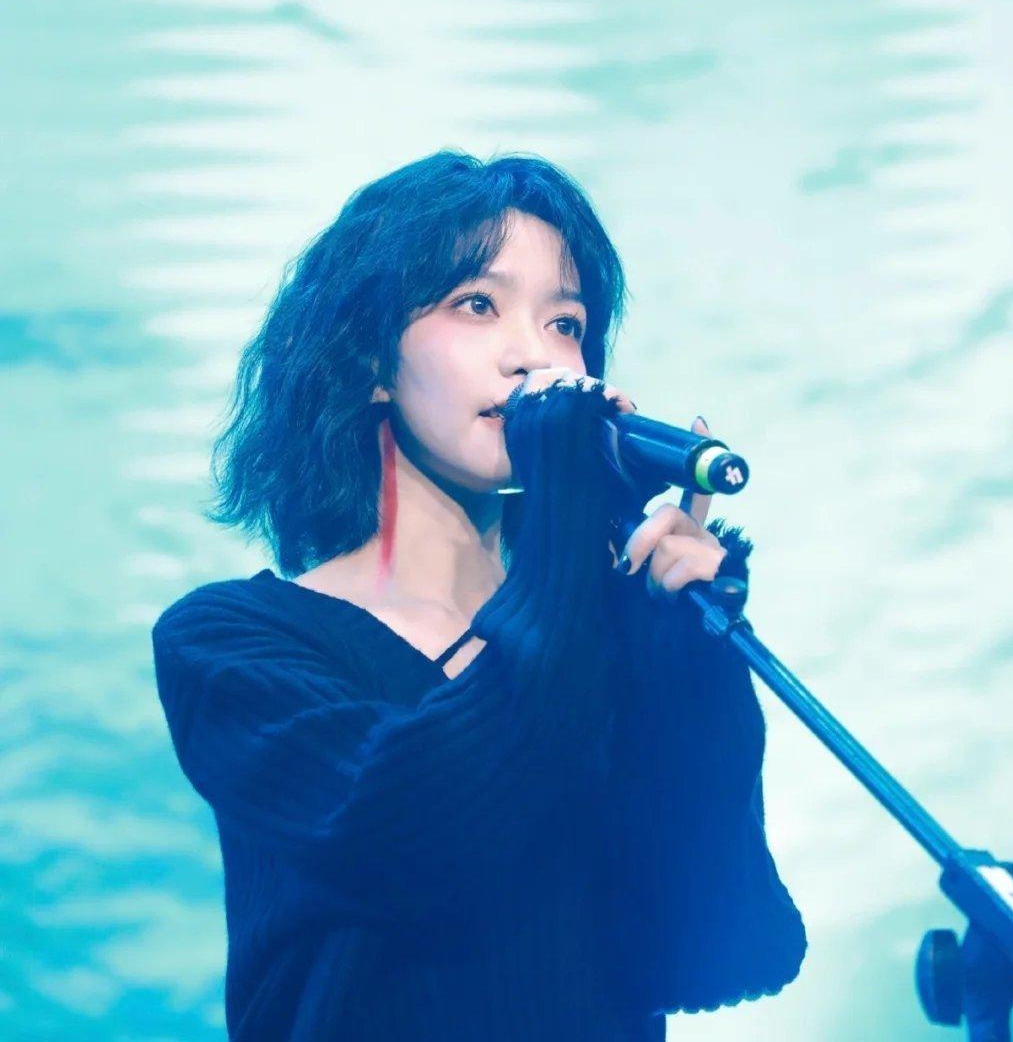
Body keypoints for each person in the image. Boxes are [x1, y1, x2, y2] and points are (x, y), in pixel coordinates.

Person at [150, 150, 807, 1041]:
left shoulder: (596, 641)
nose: (534, 357)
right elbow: (418, 832)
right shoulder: (231, 643)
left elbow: (719, 955)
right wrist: (566, 556)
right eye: (477, 305)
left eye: (565, 323)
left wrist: (681, 668)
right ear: (371, 356)